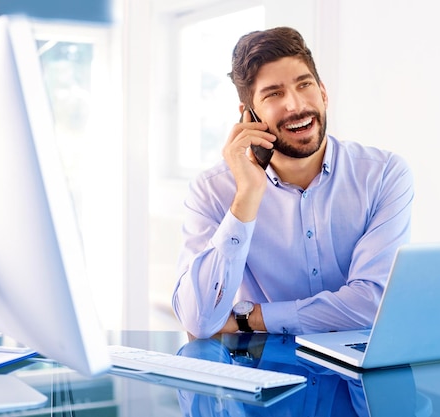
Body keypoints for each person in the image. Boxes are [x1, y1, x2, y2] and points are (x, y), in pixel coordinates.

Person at [172, 27, 414, 339]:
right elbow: (199, 321)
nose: (296, 105)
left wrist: (251, 318)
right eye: (274, 94)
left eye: (305, 85)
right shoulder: (212, 190)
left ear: (323, 92)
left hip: (358, 376)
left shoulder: (383, 174)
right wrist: (247, 196)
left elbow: (374, 305)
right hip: (265, 376)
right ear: (249, 116)